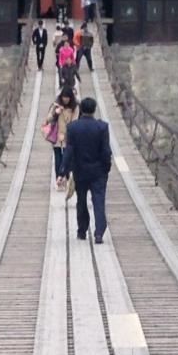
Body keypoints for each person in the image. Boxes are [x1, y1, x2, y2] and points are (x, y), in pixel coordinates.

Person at [64, 95, 113, 244]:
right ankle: (99, 233)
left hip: (80, 170)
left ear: (81, 109)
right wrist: (106, 167)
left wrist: (63, 171)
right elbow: (105, 151)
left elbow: (69, 150)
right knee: (99, 201)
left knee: (81, 200)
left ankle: (82, 231)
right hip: (98, 171)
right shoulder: (102, 127)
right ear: (94, 110)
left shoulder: (72, 127)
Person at [44, 88, 79, 185]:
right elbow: (48, 118)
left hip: (69, 136)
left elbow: (75, 121)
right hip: (57, 135)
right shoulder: (56, 105)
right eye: (64, 97)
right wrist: (56, 113)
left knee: (67, 158)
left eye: (67, 98)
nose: (65, 100)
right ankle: (58, 179)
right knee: (58, 158)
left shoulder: (75, 106)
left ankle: (67, 178)